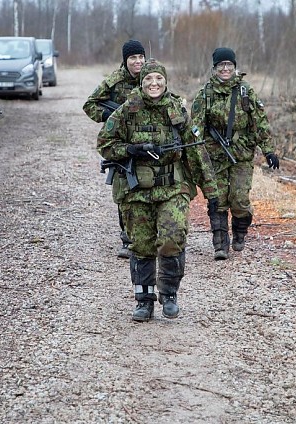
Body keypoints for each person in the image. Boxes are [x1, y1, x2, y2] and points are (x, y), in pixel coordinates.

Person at [97, 59, 218, 322]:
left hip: (172, 187)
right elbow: (105, 145)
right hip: (137, 191)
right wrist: (131, 149)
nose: (154, 84)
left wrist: (212, 192)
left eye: (159, 80)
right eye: (149, 80)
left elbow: (196, 151)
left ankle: (170, 294)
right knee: (140, 244)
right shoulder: (126, 111)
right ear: (142, 83)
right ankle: (144, 300)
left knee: (173, 237)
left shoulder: (177, 110)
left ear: (165, 82)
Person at [190, 47, 279, 260]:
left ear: (235, 67)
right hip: (215, 155)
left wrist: (268, 151)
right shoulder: (205, 94)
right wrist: (195, 156)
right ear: (214, 69)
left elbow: (260, 122)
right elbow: (195, 128)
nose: (225, 68)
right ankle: (220, 245)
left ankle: (240, 232)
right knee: (217, 200)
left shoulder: (245, 92)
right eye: (221, 65)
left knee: (239, 199)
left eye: (229, 65)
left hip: (241, 154)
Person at [83, 40, 146, 259]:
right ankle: (127, 240)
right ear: (125, 60)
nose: (137, 62)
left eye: (140, 57)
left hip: (146, 141)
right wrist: (110, 117)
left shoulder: (152, 78)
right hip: (121, 143)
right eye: (132, 58)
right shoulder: (115, 81)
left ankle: (147, 236)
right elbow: (89, 104)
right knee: (125, 191)